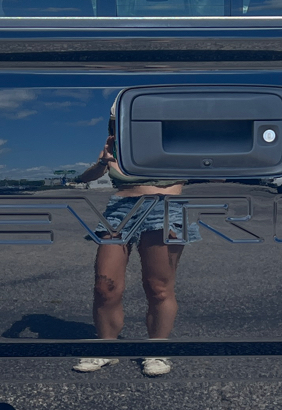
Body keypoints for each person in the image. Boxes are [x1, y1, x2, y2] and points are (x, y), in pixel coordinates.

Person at [72, 116, 199, 377]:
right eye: (117, 122)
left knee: (158, 287)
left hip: (164, 208)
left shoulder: (173, 141)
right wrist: (103, 162)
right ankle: (107, 348)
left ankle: (156, 350)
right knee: (104, 286)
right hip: (119, 210)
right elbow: (88, 177)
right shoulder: (117, 146)